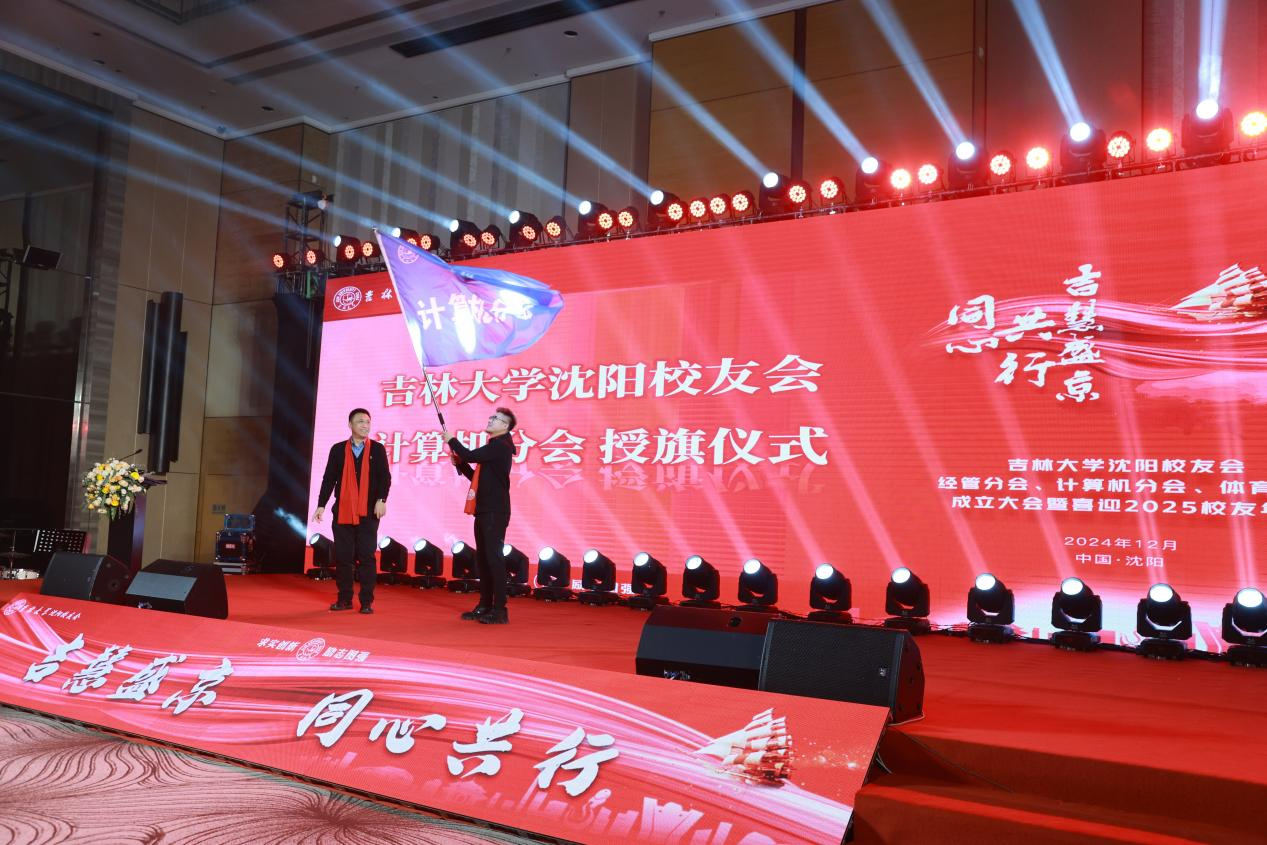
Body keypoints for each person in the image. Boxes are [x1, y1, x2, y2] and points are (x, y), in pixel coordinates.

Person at [313, 408, 390, 614]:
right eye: (360, 421)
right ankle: (344, 599)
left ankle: (366, 602)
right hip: (343, 511)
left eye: (368, 422)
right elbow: (329, 478)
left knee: (367, 557)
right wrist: (321, 504)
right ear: (350, 425)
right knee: (343, 557)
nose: (365, 425)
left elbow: (385, 478)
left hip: (368, 512)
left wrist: (382, 500)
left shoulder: (377, 449)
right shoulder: (338, 449)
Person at [443, 407, 516, 625]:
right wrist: (461, 464)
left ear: (505, 426)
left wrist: (451, 440)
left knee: (494, 559)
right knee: (483, 559)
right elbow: (477, 477)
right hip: (484, 510)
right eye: (492, 416)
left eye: (496, 419)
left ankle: (499, 609)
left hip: (495, 511)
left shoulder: (500, 446)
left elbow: (470, 455)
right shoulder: (494, 447)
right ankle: (485, 605)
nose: (491, 419)